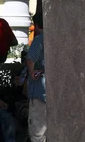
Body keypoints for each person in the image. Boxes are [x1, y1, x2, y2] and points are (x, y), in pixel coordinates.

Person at [26, 13, 46, 142]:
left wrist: (32, 72)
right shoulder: (61, 36)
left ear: (37, 25)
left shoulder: (40, 39)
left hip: (40, 93)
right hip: (58, 93)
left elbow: (30, 58)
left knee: (38, 132)